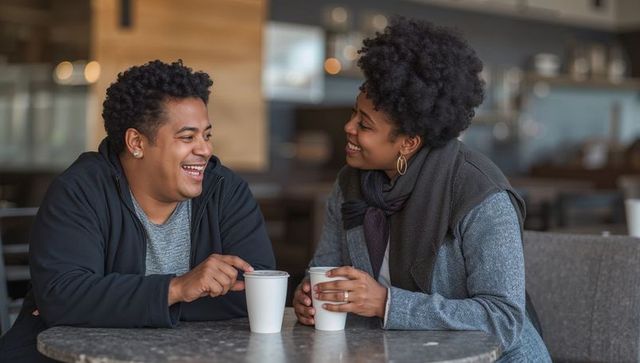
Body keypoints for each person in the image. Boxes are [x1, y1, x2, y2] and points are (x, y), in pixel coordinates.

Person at [293, 18, 551, 361]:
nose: (348, 127)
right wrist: (309, 298)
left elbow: (503, 320)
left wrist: (386, 303)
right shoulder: (349, 184)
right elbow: (326, 269)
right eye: (354, 113)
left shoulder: (478, 193)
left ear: (409, 142)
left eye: (364, 124)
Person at [0, 60, 275, 362]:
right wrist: (178, 287)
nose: (205, 149)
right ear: (136, 143)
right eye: (187, 137)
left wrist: (104, 298)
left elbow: (256, 292)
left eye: (206, 135)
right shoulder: (80, 190)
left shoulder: (225, 190)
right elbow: (63, 297)